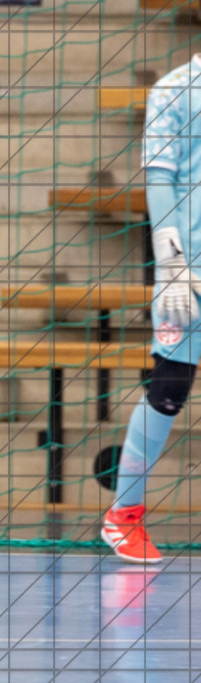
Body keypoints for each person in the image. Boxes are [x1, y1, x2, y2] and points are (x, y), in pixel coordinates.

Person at [101, 56, 201, 564]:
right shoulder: (175, 89)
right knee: (170, 385)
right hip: (189, 270)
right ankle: (124, 515)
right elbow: (159, 180)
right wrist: (173, 262)